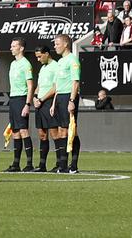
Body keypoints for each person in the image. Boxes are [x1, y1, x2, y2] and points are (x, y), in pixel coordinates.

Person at [52, 33, 82, 173]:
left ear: (65, 44)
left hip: (68, 98)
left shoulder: (73, 60)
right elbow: (58, 85)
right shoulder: (60, 62)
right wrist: (53, 103)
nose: (55, 46)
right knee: (61, 130)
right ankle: (63, 165)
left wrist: (71, 100)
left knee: (71, 130)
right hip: (59, 98)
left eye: (57, 44)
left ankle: (73, 165)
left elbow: (75, 82)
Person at [5, 38, 36, 172]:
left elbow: (30, 86)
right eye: (11, 46)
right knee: (15, 132)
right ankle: (16, 163)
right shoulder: (13, 64)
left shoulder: (26, 64)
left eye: (14, 46)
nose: (11, 48)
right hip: (13, 99)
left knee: (24, 130)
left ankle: (29, 163)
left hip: (21, 99)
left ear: (21, 48)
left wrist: (27, 104)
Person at [32, 44, 58, 172]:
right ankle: (42, 165)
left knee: (54, 133)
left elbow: (55, 87)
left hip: (49, 102)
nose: (38, 59)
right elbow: (39, 86)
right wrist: (35, 97)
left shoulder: (56, 66)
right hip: (40, 103)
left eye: (39, 56)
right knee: (42, 134)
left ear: (47, 53)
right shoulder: (43, 68)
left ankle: (60, 163)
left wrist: (42, 99)